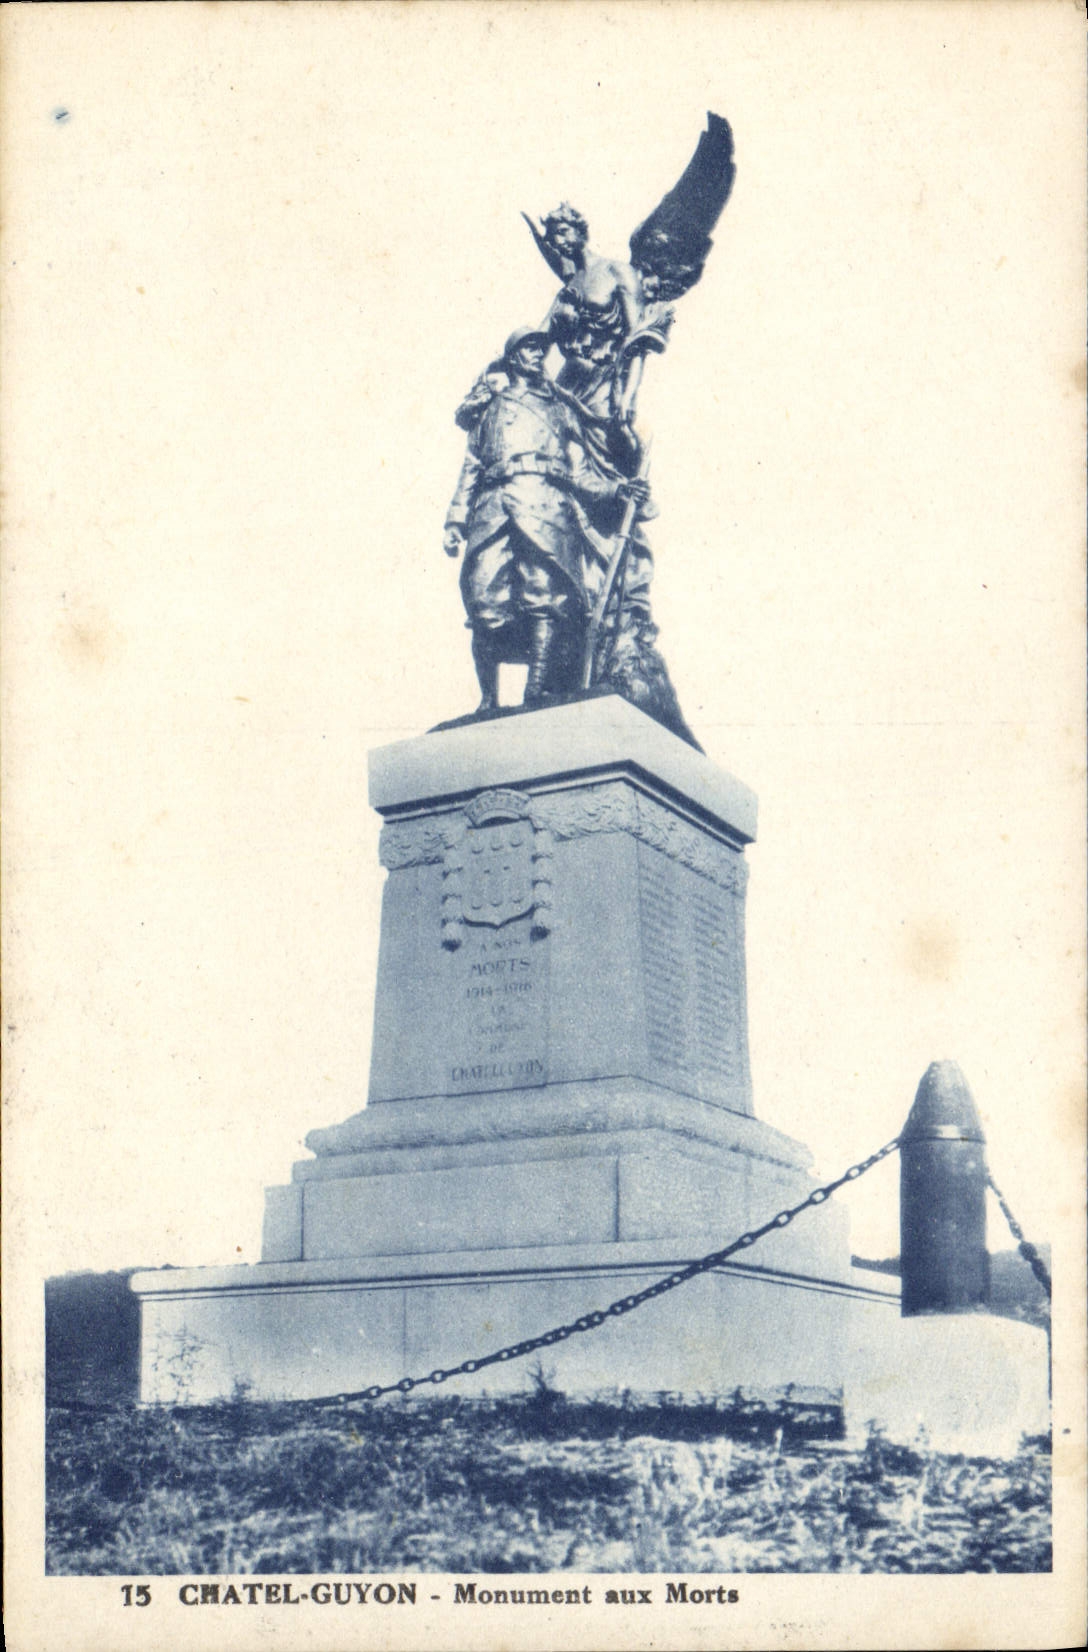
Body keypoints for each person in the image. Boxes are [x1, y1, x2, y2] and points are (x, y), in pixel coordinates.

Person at [443, 326, 647, 710]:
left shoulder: (561, 409)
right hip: (493, 507)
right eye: (530, 348)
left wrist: (616, 490)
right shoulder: (490, 408)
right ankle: (488, 700)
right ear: (513, 357)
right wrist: (456, 520)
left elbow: (581, 472)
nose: (539, 354)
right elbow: (471, 466)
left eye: (541, 349)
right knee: (483, 599)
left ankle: (534, 692)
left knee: (544, 596)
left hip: (546, 505)